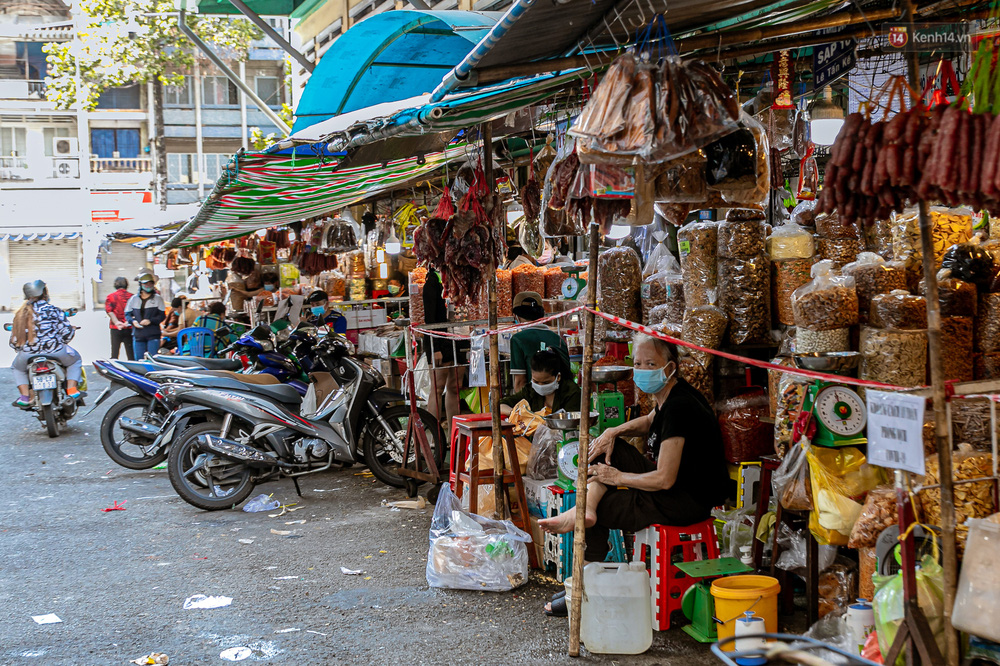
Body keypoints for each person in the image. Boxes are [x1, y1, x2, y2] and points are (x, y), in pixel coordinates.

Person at [538, 332, 731, 616]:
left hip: (683, 500)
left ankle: (584, 584)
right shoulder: (670, 395)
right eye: (638, 363)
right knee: (611, 450)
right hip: (674, 489)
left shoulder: (680, 408)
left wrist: (616, 478)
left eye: (650, 364)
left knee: (606, 504)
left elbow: (664, 478)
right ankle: (586, 510)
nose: (642, 370)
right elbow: (650, 421)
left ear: (670, 367)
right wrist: (613, 431)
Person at [9, 280, 84, 408]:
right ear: (44, 293)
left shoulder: (20, 314)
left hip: (28, 356)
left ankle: (25, 397)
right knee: (75, 361)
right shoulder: (54, 310)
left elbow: (14, 342)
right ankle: (72, 389)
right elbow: (66, 333)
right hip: (56, 352)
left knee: (17, 368)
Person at [423, 270, 466, 433]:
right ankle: (432, 435)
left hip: (458, 337)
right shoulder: (432, 284)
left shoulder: (458, 279)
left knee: (455, 387)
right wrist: (435, 348)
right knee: (438, 388)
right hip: (439, 341)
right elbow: (429, 319)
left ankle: (453, 435)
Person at [509, 291, 570, 393]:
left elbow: (520, 382)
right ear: (542, 314)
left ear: (516, 316)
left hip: (533, 403)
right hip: (561, 400)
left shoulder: (518, 339)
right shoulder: (558, 339)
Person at [499, 349, 580, 416]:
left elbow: (572, 422)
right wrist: (517, 414)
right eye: (536, 381)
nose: (540, 386)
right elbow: (500, 406)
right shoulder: (530, 390)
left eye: (545, 382)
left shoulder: (572, 392)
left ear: (558, 377)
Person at [125, 273, 166, 360]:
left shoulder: (158, 299)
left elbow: (162, 316)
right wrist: (133, 321)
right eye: (145, 284)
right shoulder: (133, 299)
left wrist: (150, 321)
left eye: (150, 283)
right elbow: (127, 314)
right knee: (139, 360)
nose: (148, 286)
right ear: (140, 285)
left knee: (153, 360)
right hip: (138, 335)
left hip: (153, 335)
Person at [104, 276, 134, 360]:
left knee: (114, 353)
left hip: (115, 328)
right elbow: (135, 312)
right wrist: (126, 323)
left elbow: (109, 311)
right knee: (131, 354)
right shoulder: (132, 297)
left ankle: (114, 371)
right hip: (129, 327)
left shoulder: (111, 297)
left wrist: (117, 323)